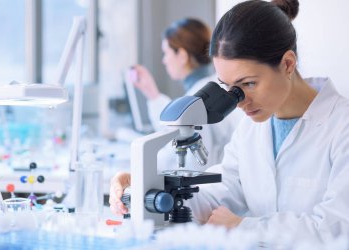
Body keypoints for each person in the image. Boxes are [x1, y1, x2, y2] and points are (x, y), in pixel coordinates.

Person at [111, 0, 349, 242]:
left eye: (248, 84)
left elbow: (337, 228)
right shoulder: (251, 127)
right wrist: (148, 190)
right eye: (230, 87)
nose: (239, 100)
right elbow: (223, 189)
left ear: (287, 64)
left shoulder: (342, 127)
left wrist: (242, 227)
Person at [127, 18, 242, 171]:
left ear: (181, 55)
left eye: (166, 53)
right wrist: (151, 93)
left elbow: (190, 167)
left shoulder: (201, 102)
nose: (164, 61)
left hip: (214, 189)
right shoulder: (211, 88)